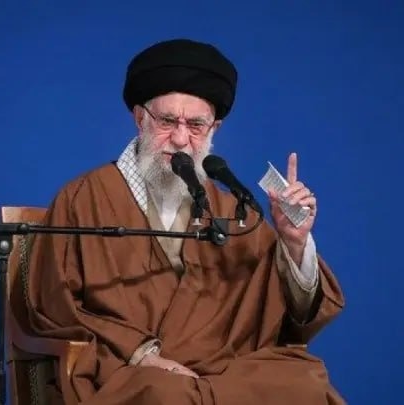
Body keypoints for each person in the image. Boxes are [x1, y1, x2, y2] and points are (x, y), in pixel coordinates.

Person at [25, 38, 346, 404]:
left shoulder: (233, 211)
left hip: (220, 369)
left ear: (214, 129)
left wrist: (294, 242)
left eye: (195, 125)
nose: (180, 139)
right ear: (140, 118)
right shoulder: (83, 197)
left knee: (305, 381)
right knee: (164, 394)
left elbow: (291, 314)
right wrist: (143, 354)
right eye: (167, 121)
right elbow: (52, 305)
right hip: (129, 369)